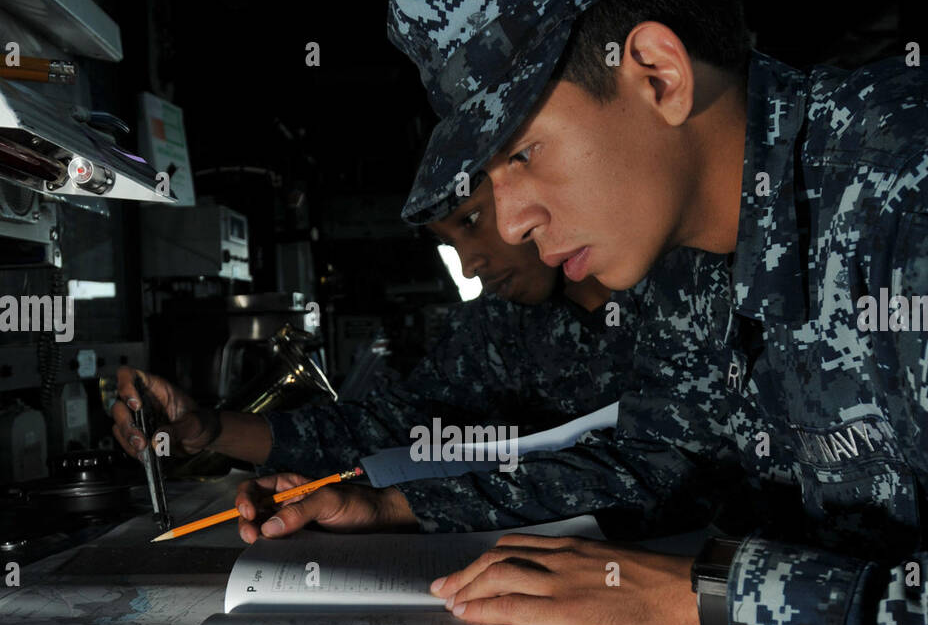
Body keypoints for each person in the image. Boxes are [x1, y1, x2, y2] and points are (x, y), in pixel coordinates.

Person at [275, 0, 926, 625]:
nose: (508, 224)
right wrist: (401, 514)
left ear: (658, 73)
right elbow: (664, 460)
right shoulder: (693, 259)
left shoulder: (903, 193)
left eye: (522, 155)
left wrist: (715, 601)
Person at [111, 176, 619, 541]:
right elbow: (391, 424)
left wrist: (391, 509)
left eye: (472, 220)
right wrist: (208, 430)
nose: (470, 264)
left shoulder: (669, 296)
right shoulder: (496, 323)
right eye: (449, 243)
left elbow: (656, 470)